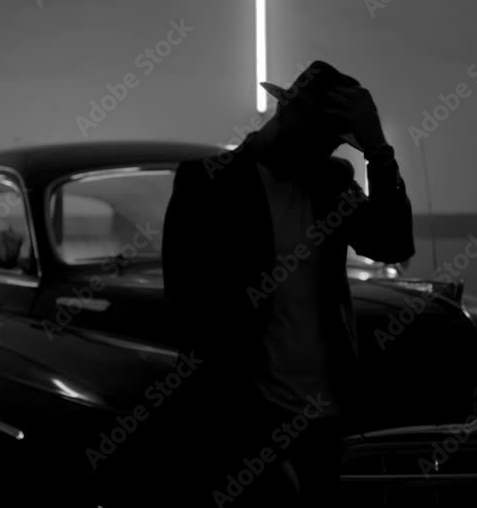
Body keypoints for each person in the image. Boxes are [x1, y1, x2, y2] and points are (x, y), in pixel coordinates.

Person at [159, 60, 415, 507]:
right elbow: (187, 310)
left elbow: (392, 243)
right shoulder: (207, 182)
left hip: (326, 416)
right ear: (288, 116)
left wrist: (378, 149)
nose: (327, 150)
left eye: (336, 141)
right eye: (321, 137)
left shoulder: (331, 181)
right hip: (245, 418)